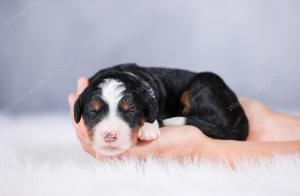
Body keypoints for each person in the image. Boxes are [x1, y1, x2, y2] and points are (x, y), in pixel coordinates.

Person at [68, 77, 300, 164]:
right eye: (94, 113)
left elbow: (151, 110)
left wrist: (200, 148)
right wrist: (266, 123)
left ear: (147, 109)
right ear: (81, 109)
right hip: (246, 119)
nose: (109, 131)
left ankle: (222, 127)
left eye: (127, 112)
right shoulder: (94, 89)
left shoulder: (146, 95)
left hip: (205, 91)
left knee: (203, 85)